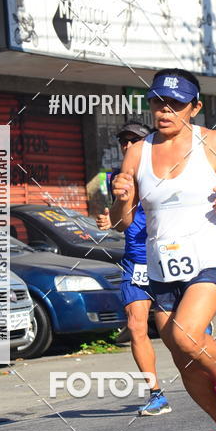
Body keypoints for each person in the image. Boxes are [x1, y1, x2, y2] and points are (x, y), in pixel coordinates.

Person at [110, 68, 216, 431]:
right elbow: (122, 221)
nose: (165, 111)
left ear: (194, 108)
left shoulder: (213, 142)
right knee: (184, 360)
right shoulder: (137, 151)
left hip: (209, 256)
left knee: (185, 334)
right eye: (158, 102)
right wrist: (122, 195)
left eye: (175, 104)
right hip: (161, 265)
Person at [96, 122, 171, 416]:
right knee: (136, 325)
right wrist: (108, 221)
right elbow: (119, 218)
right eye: (123, 141)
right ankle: (156, 394)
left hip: (166, 257)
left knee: (171, 333)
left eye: (134, 140)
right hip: (135, 260)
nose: (128, 146)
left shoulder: (163, 171)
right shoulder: (117, 178)